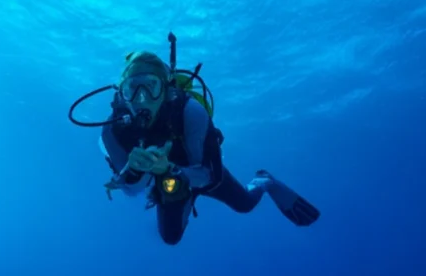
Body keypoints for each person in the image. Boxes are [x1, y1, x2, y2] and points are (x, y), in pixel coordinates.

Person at [90, 44, 320, 245]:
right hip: (169, 183)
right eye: (133, 88)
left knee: (245, 205)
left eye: (151, 86)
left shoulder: (190, 112)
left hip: (200, 169)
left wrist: (169, 169)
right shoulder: (113, 131)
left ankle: (264, 182)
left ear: (167, 90)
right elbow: (131, 191)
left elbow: (209, 175)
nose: (142, 98)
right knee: (170, 238)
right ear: (122, 94)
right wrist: (135, 171)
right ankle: (180, 195)